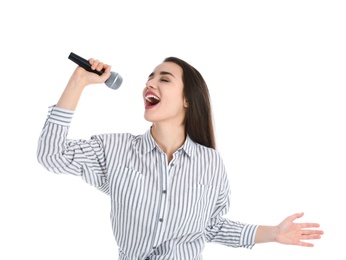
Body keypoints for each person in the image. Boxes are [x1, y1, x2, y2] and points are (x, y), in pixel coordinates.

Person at [36, 56, 324, 259]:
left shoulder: (210, 163)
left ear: (187, 99)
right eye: (149, 78)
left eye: (164, 79)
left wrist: (273, 233)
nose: (150, 84)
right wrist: (78, 81)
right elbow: (51, 155)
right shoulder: (115, 150)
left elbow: (212, 227)